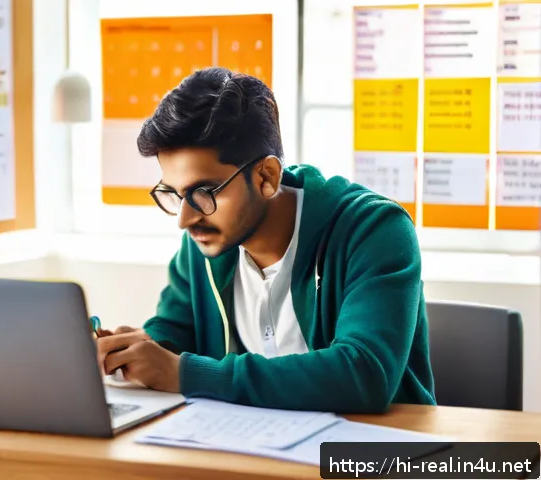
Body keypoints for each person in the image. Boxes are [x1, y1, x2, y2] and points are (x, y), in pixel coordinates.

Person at [96, 67, 436, 413]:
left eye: (204, 191)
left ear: (267, 177)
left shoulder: (374, 230)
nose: (185, 218)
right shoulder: (206, 237)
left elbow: (364, 374)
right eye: (174, 194)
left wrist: (186, 374)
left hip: (376, 454)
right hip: (255, 449)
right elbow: (177, 328)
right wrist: (141, 348)